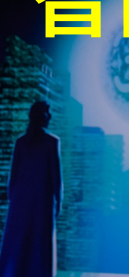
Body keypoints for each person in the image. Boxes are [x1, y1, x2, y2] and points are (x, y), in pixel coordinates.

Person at [0, 101, 63, 277]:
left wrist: (14, 202)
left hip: (20, 203)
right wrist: (59, 201)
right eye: (48, 113)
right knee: (39, 244)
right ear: (44, 116)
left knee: (19, 244)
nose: (50, 117)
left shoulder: (21, 142)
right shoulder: (52, 142)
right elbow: (56, 178)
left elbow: (12, 178)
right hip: (41, 203)